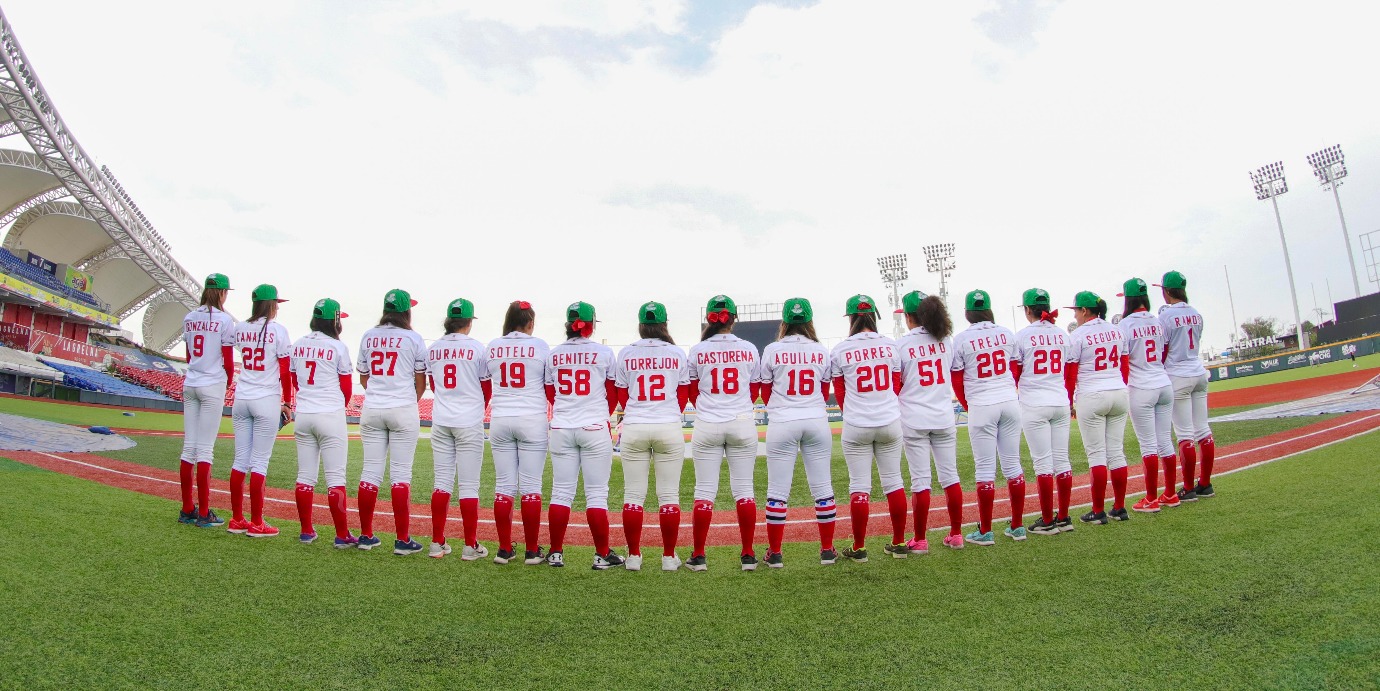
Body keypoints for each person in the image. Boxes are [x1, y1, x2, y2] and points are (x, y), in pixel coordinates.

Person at [756, 298, 837, 568]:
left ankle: (775, 553)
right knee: (823, 488)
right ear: (809, 321)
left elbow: (765, 392)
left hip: (783, 421)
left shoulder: (772, 349)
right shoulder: (821, 350)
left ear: (785, 321)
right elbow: (825, 393)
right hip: (815, 419)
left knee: (778, 491)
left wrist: (781, 409)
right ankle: (827, 550)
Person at [544, 301, 624, 570]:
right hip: (593, 427)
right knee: (596, 495)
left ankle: (556, 552)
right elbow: (612, 392)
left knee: (560, 492)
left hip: (562, 426)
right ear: (590, 325)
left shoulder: (553, 354)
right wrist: (600, 414)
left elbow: (550, 394)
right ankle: (602, 554)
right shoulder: (603, 352)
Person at [614, 301, 691, 572]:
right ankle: (669, 557)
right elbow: (683, 395)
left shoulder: (626, 353)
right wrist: (669, 414)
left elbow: (622, 395)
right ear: (664, 324)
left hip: (635, 425)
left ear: (641, 325)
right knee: (668, 495)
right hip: (667, 424)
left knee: (633, 495)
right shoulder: (677, 353)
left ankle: (634, 556)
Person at [686, 295, 761, 572]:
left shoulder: (697, 350)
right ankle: (748, 554)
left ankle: (698, 555)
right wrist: (739, 408)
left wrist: (710, 408)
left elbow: (693, 391)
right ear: (734, 319)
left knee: (704, 491)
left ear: (710, 318)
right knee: (744, 490)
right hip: (741, 420)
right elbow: (754, 390)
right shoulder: (750, 348)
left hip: (708, 422)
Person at [830, 294, 906, 562]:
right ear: (874, 316)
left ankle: (860, 547)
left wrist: (853, 412)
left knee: (859, 486)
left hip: (857, 424)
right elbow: (896, 384)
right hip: (889, 420)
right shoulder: (891, 345)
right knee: (894, 482)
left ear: (851, 318)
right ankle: (898, 542)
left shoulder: (841, 349)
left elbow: (840, 393)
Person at [951, 289, 1027, 545]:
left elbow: (957, 380)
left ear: (967, 312)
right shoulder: (1006, 333)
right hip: (1008, 400)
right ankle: (1017, 526)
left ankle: (985, 531)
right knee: (1013, 465)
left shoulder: (961, 339)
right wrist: (1006, 390)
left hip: (982, 403)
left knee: (985, 469)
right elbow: (1015, 368)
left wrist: (968, 404)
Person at [355, 289, 428, 554]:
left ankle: (365, 535)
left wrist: (379, 393)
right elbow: (421, 380)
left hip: (373, 407)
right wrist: (410, 398)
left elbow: (364, 378)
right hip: (402, 407)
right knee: (400, 475)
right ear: (406, 311)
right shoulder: (413, 338)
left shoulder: (368, 335)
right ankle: (402, 540)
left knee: (370, 472)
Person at [895, 291, 965, 552]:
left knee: (920, 480)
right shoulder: (946, 340)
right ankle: (956, 534)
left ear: (911, 317)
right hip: (943, 415)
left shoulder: (901, 344)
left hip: (914, 417)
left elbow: (898, 382)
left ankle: (921, 539)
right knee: (950, 476)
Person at [485, 300, 551, 565]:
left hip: (501, 417)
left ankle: (503, 549)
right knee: (531, 487)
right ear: (530, 322)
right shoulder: (540, 346)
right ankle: (532, 550)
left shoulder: (493, 346)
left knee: (503, 487)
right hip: (531, 418)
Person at [425, 298, 491, 560]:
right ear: (469, 322)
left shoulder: (434, 348)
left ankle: (436, 542)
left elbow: (432, 383)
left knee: (441, 483)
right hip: (468, 420)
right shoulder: (477, 348)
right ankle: (470, 545)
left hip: (441, 419)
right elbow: (486, 388)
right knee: (469, 485)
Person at [228, 284, 293, 538]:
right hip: (265, 399)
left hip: (242, 398)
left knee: (240, 460)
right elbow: (286, 371)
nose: (277, 307)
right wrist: (288, 402)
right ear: (271, 304)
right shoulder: (278, 330)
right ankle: (256, 523)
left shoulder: (240, 328)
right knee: (259, 462)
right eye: (276, 303)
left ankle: (236, 519)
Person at [288, 299, 355, 546]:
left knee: (305, 475)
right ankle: (341, 535)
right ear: (334, 320)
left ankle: (306, 530)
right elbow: (346, 388)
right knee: (336, 477)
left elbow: (296, 381)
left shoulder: (298, 344)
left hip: (304, 414)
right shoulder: (338, 347)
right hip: (330, 414)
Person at [1064, 291, 1131, 524]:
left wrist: (1069, 400)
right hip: (1118, 391)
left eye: (1075, 310)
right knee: (1116, 452)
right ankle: (1120, 507)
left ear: (1084, 311)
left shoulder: (1078, 334)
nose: (1075, 315)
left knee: (1097, 455)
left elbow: (1071, 374)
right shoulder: (1117, 331)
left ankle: (1098, 511)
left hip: (1092, 393)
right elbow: (1124, 366)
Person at [1014, 288, 1075, 535]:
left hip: (1034, 403)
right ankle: (1064, 516)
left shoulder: (1022, 336)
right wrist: (1069, 399)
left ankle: (1048, 520)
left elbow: (1015, 374)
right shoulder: (1063, 335)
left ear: (1028, 310)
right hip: (1060, 400)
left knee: (1043, 463)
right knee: (1062, 460)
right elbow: (1070, 373)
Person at [178, 273, 235, 529]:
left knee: (188, 448)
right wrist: (227, 381)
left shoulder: (189, 317)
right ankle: (203, 512)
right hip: (212, 384)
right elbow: (228, 360)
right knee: (205, 449)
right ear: (223, 293)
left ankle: (187, 508)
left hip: (191, 382)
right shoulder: (224, 320)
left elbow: (189, 355)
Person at [1118, 278, 1176, 513]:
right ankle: (1170, 493)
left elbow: (1124, 361)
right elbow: (1164, 352)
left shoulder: (1125, 325)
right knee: (1165, 441)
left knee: (1148, 445)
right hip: (1163, 382)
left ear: (1128, 299)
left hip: (1141, 386)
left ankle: (1151, 498)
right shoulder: (1158, 320)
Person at [1156, 270, 1215, 500]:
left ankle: (1188, 487)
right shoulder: (1197, 314)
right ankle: (1206, 483)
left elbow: (1164, 349)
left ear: (1166, 291)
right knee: (1203, 430)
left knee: (1184, 435)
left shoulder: (1166, 316)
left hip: (1177, 375)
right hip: (1198, 372)